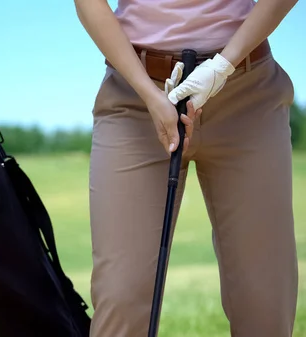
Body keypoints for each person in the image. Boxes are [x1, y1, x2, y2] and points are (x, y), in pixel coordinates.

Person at [73, 0, 299, 336]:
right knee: (121, 299)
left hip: (246, 92)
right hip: (136, 97)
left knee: (266, 303)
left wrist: (223, 65)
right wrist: (149, 94)